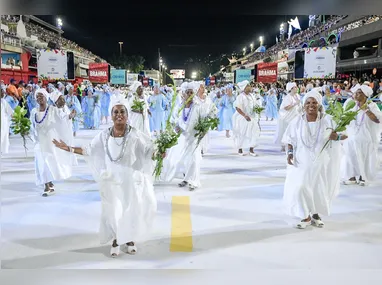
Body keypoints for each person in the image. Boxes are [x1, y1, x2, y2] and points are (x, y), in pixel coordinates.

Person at [52, 100, 159, 257]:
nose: (119, 115)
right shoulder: (104, 135)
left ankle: (129, 239)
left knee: (129, 210)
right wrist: (67, 148)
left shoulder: (135, 134)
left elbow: (148, 150)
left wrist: (159, 152)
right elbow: (89, 150)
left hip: (130, 180)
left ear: (127, 115)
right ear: (111, 116)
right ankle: (116, 238)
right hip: (111, 181)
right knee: (113, 211)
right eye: (115, 112)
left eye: (122, 112)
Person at [282, 90, 348, 229]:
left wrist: (336, 137)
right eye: (308, 102)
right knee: (300, 186)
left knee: (318, 188)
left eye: (314, 102)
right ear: (304, 105)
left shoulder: (328, 119)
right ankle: (305, 216)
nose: (311, 105)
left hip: (321, 161)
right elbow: (289, 139)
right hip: (301, 160)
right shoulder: (297, 121)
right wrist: (290, 153)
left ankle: (316, 214)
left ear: (319, 105)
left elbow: (344, 135)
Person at [30, 88, 75, 197]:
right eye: (37, 96)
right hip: (39, 143)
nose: (39, 98)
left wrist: (70, 116)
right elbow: (32, 125)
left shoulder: (52, 110)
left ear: (46, 98)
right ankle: (47, 186)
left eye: (41, 96)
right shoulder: (34, 112)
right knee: (42, 163)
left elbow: (62, 117)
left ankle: (49, 183)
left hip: (50, 142)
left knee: (49, 162)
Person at [341, 85, 382, 186]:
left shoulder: (372, 105)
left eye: (359, 93)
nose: (356, 94)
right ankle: (351, 177)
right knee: (350, 155)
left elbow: (377, 120)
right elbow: (344, 118)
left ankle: (363, 177)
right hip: (351, 135)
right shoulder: (351, 104)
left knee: (363, 156)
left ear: (365, 96)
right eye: (356, 92)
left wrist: (366, 110)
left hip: (365, 136)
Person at [232, 80, 260, 156]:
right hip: (243, 117)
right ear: (244, 88)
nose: (250, 87)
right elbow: (237, 108)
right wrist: (244, 115)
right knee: (242, 133)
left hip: (252, 117)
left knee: (253, 133)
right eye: (248, 86)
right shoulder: (240, 96)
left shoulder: (252, 95)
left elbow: (255, 105)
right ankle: (240, 149)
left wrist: (257, 111)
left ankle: (251, 149)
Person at [274, 82, 302, 152]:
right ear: (291, 89)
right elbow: (286, 108)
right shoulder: (288, 97)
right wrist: (295, 103)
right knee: (286, 130)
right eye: (295, 87)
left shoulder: (297, 96)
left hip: (296, 116)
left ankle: (294, 144)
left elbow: (300, 105)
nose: (296, 88)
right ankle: (284, 144)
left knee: (295, 130)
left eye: (296, 87)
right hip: (288, 117)